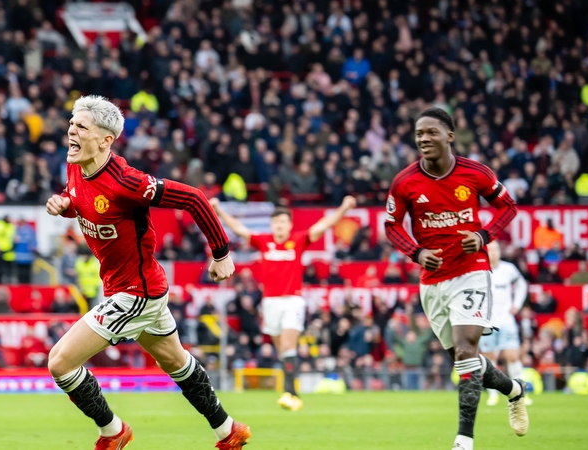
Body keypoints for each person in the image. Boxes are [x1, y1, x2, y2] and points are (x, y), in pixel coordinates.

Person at [44, 95, 249, 450]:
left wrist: (221, 253)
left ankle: (112, 431)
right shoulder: (76, 164)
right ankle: (228, 430)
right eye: (71, 124)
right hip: (132, 287)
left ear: (106, 140)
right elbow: (82, 200)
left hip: (136, 293)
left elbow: (194, 198)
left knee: (60, 362)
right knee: (175, 361)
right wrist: (65, 203)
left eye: (81, 126)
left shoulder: (127, 182)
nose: (71, 132)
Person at [384, 108, 528, 450]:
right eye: (419, 133)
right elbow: (391, 225)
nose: (423, 139)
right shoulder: (405, 181)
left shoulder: (475, 173)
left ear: (450, 136)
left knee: (466, 351)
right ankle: (515, 390)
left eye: (431, 132)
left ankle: (464, 440)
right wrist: (416, 252)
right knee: (465, 364)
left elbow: (508, 206)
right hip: (432, 281)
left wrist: (483, 235)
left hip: (471, 271)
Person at [210, 194, 356, 411]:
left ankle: (291, 394)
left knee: (288, 345)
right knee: (283, 351)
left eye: (283, 222)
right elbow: (239, 229)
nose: (279, 225)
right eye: (276, 222)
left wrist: (344, 208)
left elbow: (323, 225)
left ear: (289, 225)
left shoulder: (298, 241)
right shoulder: (263, 241)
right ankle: (290, 389)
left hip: (292, 301)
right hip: (270, 304)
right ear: (272, 225)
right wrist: (218, 211)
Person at [479, 241, 529, 406]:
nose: (494, 253)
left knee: (513, 356)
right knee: (489, 358)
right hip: (487, 320)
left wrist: (517, 305)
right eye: (491, 250)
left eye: (496, 249)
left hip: (506, 320)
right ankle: (493, 395)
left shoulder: (509, 269)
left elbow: (522, 284)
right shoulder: (479, 269)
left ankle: (521, 393)